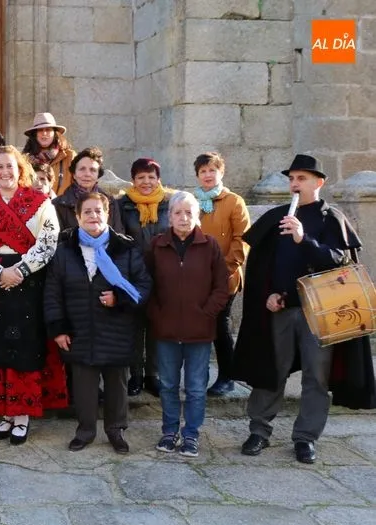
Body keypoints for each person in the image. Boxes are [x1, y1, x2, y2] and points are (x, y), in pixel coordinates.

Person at [234, 154, 376, 464]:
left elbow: (340, 261)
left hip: (320, 314)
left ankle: (305, 437)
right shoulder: (276, 218)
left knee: (317, 376)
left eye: (302, 179)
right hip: (281, 310)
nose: (295, 184)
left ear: (319, 182)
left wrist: (303, 238)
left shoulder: (331, 218)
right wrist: (267, 295)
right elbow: (261, 267)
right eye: (292, 179)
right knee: (272, 370)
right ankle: (259, 430)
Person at [0, 146, 66, 445]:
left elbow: (48, 242)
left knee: (25, 347)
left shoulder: (40, 203)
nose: (5, 172)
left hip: (28, 280)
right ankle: (5, 413)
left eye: (10, 166)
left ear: (21, 169)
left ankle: (22, 416)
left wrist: (20, 270)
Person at [44, 192, 151, 454]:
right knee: (84, 387)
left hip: (117, 329)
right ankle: (85, 431)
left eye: (98, 211)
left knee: (117, 385)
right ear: (78, 217)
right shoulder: (64, 251)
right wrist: (58, 329)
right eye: (87, 212)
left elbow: (144, 286)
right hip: (80, 329)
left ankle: (116, 431)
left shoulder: (126, 249)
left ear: (108, 215)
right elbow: (52, 292)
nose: (93, 216)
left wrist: (119, 299)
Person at [145, 191, 229, 457]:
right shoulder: (157, 245)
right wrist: (156, 314)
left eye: (189, 213)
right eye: (178, 213)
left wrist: (206, 314)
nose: (183, 218)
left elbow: (221, 287)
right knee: (168, 385)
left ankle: (191, 433)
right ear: (169, 217)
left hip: (199, 332)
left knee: (194, 387)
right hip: (166, 331)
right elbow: (145, 285)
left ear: (198, 217)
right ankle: (169, 430)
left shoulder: (210, 246)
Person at [192, 152, 251, 397]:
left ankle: (228, 376)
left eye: (212, 170)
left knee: (220, 325)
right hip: (195, 278)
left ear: (221, 173)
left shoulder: (234, 201)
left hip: (225, 278)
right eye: (203, 171)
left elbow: (243, 239)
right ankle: (198, 375)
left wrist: (224, 269)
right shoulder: (192, 201)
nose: (207, 175)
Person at [119, 158, 172, 397]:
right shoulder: (123, 205)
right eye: (141, 177)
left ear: (158, 179)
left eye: (151, 177)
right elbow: (119, 238)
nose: (146, 182)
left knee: (156, 326)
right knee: (133, 326)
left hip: (162, 274)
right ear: (133, 180)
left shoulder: (168, 204)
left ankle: (153, 375)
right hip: (132, 274)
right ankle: (136, 375)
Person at [52, 147, 123, 233]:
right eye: (82, 169)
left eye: (93, 170)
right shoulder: (58, 204)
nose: (87, 174)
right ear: (74, 174)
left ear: (98, 175)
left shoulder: (111, 203)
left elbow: (118, 235)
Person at [22, 112, 75, 196]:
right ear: (35, 134)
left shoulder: (69, 157)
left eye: (48, 129)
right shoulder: (24, 160)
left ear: (54, 133)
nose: (44, 133)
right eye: (40, 130)